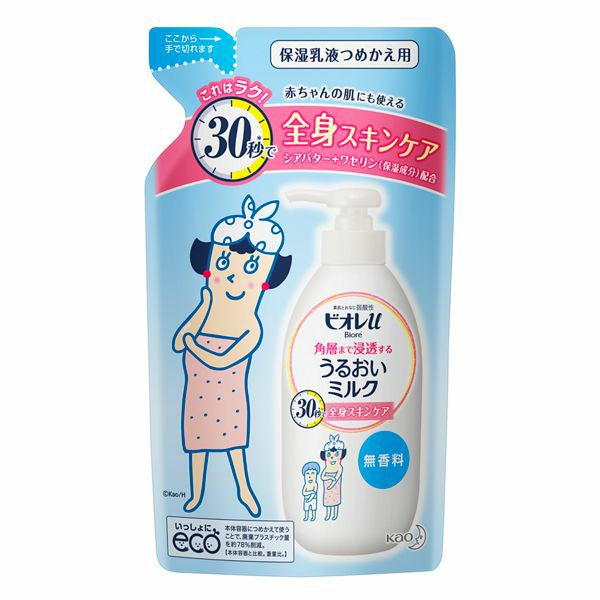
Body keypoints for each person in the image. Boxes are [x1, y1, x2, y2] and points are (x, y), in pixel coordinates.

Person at [173, 195, 292, 517]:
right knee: (196, 443)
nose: (233, 276)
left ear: (265, 283)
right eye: (223, 264)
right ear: (208, 269)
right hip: (197, 396)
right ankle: (196, 495)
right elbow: (177, 341)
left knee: (234, 443)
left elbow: (220, 361)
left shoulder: (251, 326)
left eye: (250, 268)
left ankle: (244, 490)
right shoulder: (206, 307)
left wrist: (193, 343)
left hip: (228, 398)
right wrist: (204, 306)